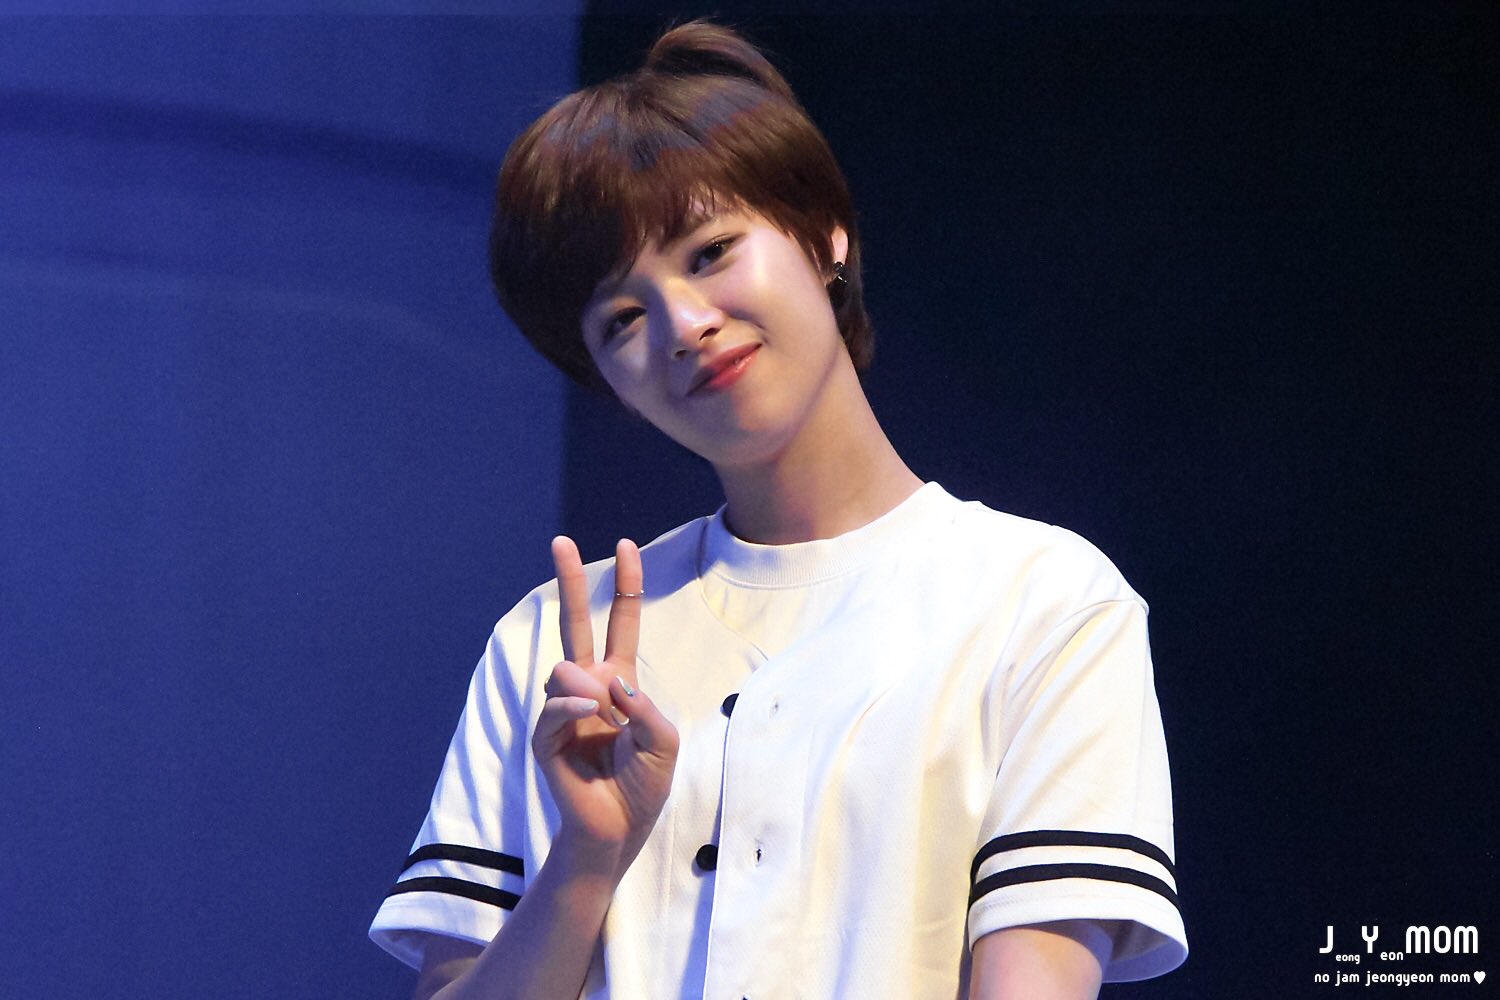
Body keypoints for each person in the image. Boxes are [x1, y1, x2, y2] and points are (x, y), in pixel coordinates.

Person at [369, 20, 1187, 1000]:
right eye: (623, 318)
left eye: (711, 251)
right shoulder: (548, 647)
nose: (684, 324)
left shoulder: (1043, 603)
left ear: (824, 234)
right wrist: (586, 861)